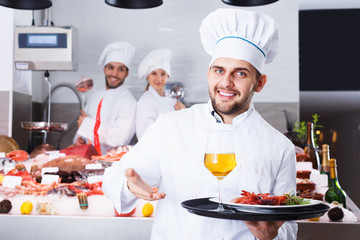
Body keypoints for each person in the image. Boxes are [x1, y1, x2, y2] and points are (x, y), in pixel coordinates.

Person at [103, 9, 297, 240]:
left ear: (260, 83)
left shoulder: (279, 148)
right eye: (219, 70)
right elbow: (115, 178)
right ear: (209, 73)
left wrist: (271, 236)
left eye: (241, 73)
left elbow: (288, 228)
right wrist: (129, 187)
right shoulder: (170, 126)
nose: (226, 82)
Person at [74, 42, 137, 155]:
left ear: (127, 73)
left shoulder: (129, 102)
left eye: (121, 69)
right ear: (104, 69)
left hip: (114, 165)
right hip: (88, 162)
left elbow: (120, 138)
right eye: (110, 67)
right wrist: (80, 139)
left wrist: (87, 125)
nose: (114, 74)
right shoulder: (95, 96)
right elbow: (82, 127)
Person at [136, 49, 186, 140]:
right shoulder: (145, 101)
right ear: (147, 76)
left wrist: (184, 112)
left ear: (168, 76)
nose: (159, 79)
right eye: (154, 74)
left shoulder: (172, 98)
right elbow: (144, 136)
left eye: (163, 74)